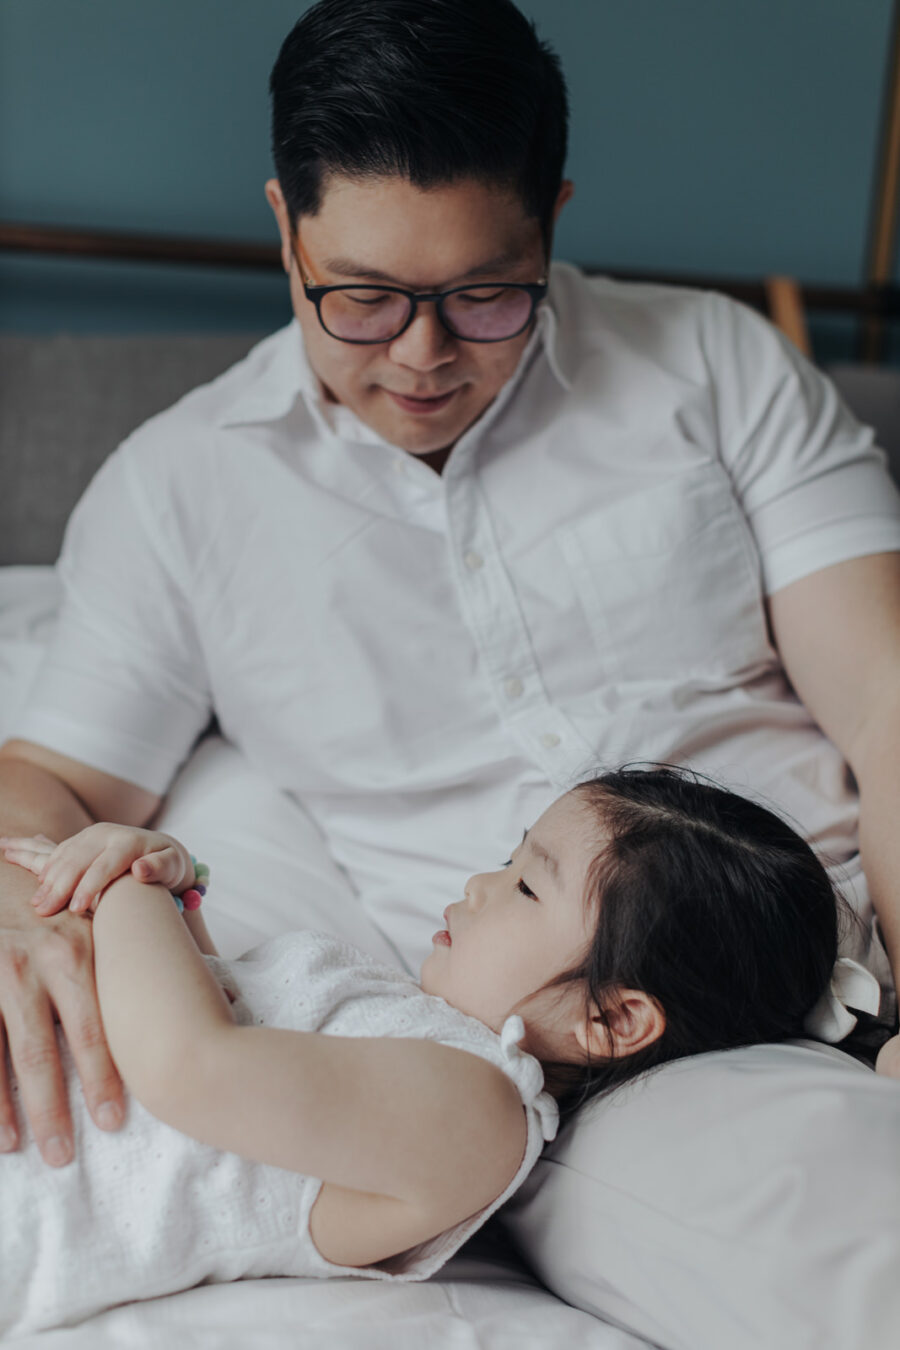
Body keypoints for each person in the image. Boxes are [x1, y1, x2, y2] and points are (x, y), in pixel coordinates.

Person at [2, 0, 900, 1178]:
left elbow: (887, 704)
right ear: (287, 229)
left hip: (848, 955)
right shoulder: (176, 493)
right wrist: (20, 895)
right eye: (362, 298)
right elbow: (55, 778)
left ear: (553, 222)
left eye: (487, 295)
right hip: (573, 1075)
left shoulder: (715, 364)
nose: (423, 356)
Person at [0, 765, 869, 1335]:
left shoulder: (477, 1113)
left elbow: (191, 1071)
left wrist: (128, 886)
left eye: (527, 885)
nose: (480, 886)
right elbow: (226, 1011)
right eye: (506, 860)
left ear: (611, 1020)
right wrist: (176, 892)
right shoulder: (410, 1020)